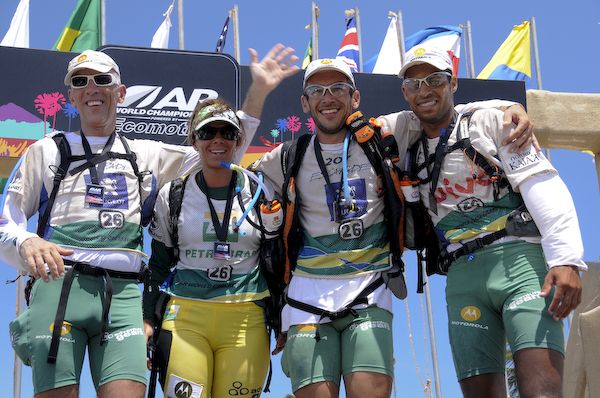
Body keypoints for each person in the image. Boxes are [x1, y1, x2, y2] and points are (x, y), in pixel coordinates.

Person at [1, 44, 297, 398]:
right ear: (72, 96)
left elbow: (221, 147)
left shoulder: (147, 153)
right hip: (61, 286)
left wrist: (258, 91)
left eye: (102, 79)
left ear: (120, 92)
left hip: (124, 294)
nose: (92, 88)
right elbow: (7, 224)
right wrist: (26, 241)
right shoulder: (47, 150)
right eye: (80, 82)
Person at [251, 57, 534, 398]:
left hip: (369, 290)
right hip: (305, 298)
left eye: (338, 88)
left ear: (354, 98)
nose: (328, 98)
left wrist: (508, 105)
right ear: (305, 102)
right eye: (317, 91)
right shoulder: (286, 156)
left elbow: (439, 108)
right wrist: (258, 91)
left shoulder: (385, 132)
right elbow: (223, 156)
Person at [398, 45, 585, 397]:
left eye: (435, 79)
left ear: (452, 84)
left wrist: (566, 259)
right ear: (404, 92)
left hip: (520, 262)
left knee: (542, 392)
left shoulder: (491, 121)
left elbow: (541, 185)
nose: (425, 90)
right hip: (461, 274)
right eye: (414, 83)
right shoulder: (406, 139)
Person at [142, 96, 298, 398]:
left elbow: (278, 261)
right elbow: (158, 264)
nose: (217, 140)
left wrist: (283, 318)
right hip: (185, 316)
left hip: (246, 318)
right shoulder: (172, 195)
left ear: (238, 140)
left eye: (226, 133)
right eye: (206, 133)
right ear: (193, 139)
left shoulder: (261, 191)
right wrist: (147, 318)